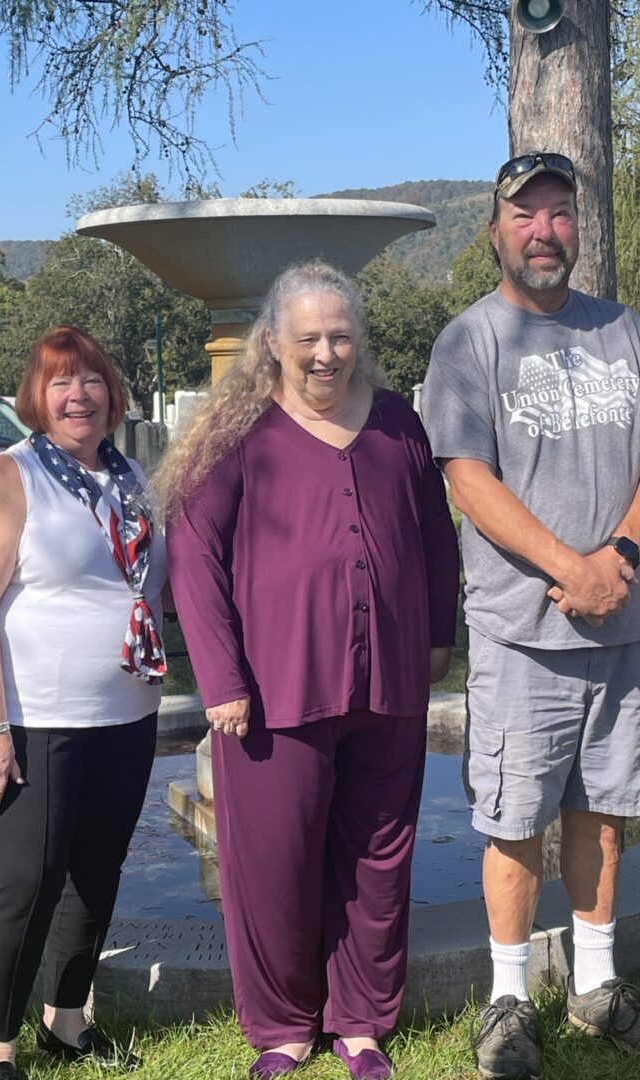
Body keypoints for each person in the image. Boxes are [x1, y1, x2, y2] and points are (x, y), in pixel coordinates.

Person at [419, 151, 640, 1080]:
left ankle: (597, 984)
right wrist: (571, 567)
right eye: (525, 214)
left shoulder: (624, 331)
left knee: (603, 813)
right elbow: (467, 479)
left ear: (579, 225)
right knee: (515, 817)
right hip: (521, 632)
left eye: (560, 213)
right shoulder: (468, 342)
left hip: (620, 623)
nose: (544, 230)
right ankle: (507, 1000)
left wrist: (618, 559)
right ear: (495, 230)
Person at [161, 261, 459, 1080]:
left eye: (340, 336)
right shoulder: (237, 431)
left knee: (378, 855)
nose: (326, 353)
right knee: (274, 863)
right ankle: (284, 1025)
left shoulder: (397, 422)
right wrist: (221, 678)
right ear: (272, 342)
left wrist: (438, 634)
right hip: (272, 690)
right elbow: (193, 554)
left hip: (388, 680)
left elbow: (435, 534)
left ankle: (361, 1021)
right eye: (309, 339)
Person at [0, 326, 165, 1080]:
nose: (78, 396)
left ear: (113, 393)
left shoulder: (130, 476)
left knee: (96, 873)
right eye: (60, 383)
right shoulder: (10, 476)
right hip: (33, 719)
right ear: (36, 397)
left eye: (92, 380)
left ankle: (66, 1022)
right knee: (27, 883)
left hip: (127, 715)